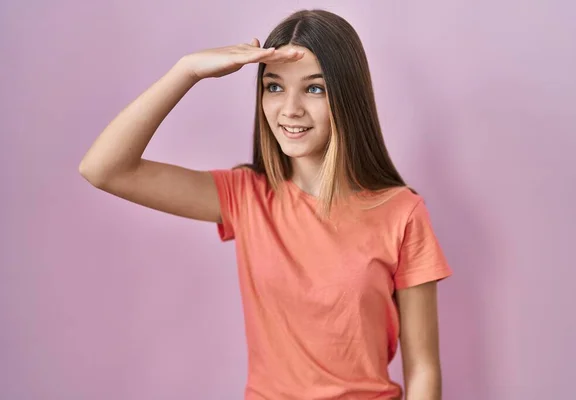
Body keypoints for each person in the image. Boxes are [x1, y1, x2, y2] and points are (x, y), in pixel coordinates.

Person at [79, 8, 453, 400]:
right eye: (274, 87)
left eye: (314, 88)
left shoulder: (402, 213)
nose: (290, 109)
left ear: (347, 97)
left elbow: (423, 368)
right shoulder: (247, 196)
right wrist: (186, 71)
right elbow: (103, 168)